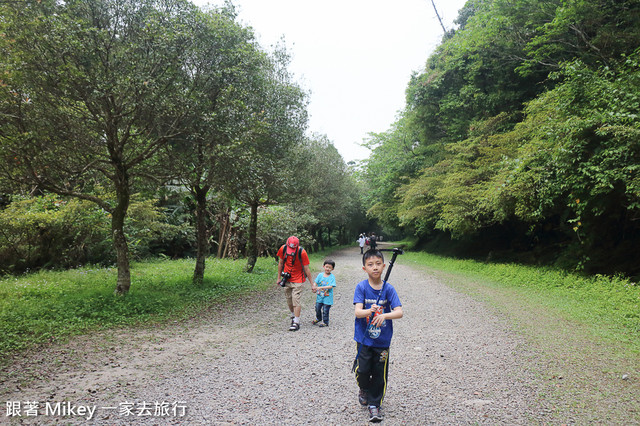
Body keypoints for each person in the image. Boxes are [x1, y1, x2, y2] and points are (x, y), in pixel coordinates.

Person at [353, 249, 403, 423]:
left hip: (382, 341)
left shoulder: (389, 289)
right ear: (364, 268)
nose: (374, 268)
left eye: (377, 264)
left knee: (380, 373)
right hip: (364, 339)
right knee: (363, 370)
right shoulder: (362, 287)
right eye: (370, 265)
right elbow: (358, 312)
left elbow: (399, 312)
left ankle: (375, 405)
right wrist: (369, 310)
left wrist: (384, 315)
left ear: (383, 266)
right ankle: (364, 388)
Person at [276, 236, 315, 331]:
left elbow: (307, 269)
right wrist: (278, 278)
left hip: (298, 279)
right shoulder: (283, 248)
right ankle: (293, 315)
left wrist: (312, 284)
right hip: (286, 279)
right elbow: (281, 263)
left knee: (295, 300)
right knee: (289, 300)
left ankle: (296, 322)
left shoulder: (302, 252)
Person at [312, 259, 336, 327]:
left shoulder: (332, 277)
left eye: (329, 267)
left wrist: (320, 288)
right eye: (326, 267)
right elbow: (315, 282)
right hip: (320, 296)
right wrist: (314, 287)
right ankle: (318, 318)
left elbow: (331, 286)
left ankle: (325, 322)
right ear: (323, 266)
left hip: (327, 297)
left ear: (332, 269)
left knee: (325, 310)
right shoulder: (320, 275)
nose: (327, 269)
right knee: (317, 308)